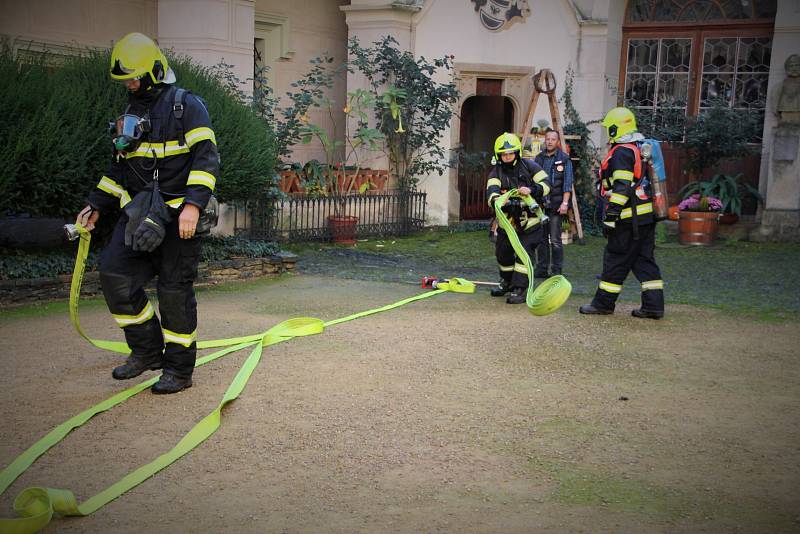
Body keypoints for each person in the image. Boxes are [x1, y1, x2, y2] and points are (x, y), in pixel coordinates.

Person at [75, 32, 220, 393]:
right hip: (139, 214)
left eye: (135, 78)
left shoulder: (187, 106)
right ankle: (147, 351)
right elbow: (120, 169)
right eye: (125, 81)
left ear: (156, 70)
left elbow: (207, 158)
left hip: (176, 217)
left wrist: (193, 205)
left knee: (174, 291)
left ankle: (179, 371)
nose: (131, 85)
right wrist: (96, 204)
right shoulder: (130, 113)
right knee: (114, 273)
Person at [579, 107, 664, 319]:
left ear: (617, 128)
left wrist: (611, 216)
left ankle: (603, 304)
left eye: (610, 128)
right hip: (645, 217)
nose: (608, 131)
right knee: (644, 261)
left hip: (628, 219)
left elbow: (622, 186)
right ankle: (654, 307)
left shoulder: (622, 152)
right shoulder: (637, 147)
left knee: (616, 259)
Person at [486, 132, 552, 304]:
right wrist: (499, 200)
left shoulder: (530, 166)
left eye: (510, 153)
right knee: (503, 254)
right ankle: (507, 282)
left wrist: (532, 190)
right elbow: (491, 195)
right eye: (504, 154)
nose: (507, 157)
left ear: (517, 153)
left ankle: (520, 289)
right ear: (498, 155)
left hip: (530, 222)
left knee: (523, 253)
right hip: (508, 223)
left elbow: (546, 184)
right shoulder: (496, 173)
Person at [533, 128, 573, 277]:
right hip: (541, 205)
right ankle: (542, 268)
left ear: (557, 142)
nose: (550, 141)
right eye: (548, 139)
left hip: (556, 205)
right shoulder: (539, 158)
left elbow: (567, 183)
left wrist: (565, 203)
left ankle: (556, 270)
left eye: (553, 139)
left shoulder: (564, 159)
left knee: (555, 240)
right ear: (545, 140)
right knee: (541, 239)